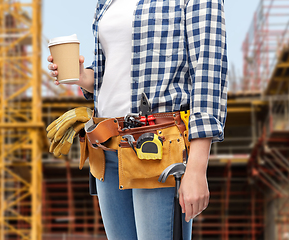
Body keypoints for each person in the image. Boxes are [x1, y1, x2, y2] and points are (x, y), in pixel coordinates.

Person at [48, 0, 227, 239]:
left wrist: (196, 168)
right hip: (107, 148)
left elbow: (209, 72)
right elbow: (111, 73)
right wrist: (82, 76)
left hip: (157, 148)